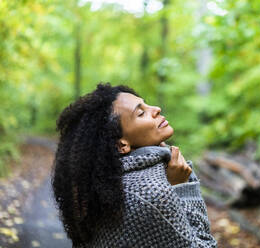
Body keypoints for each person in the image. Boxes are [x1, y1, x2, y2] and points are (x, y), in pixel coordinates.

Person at [51, 83, 217, 248]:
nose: (156, 109)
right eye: (141, 113)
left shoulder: (103, 186)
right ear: (121, 145)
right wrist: (181, 188)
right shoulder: (153, 194)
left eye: (147, 104)